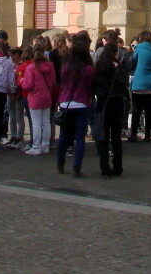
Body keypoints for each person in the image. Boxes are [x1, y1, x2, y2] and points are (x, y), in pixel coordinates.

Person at [55, 35, 94, 178]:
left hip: (66, 103)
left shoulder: (65, 67)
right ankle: (77, 167)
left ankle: (60, 163)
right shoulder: (88, 69)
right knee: (79, 138)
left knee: (64, 136)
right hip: (82, 103)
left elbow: (63, 84)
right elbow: (90, 87)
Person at [92, 42, 126, 178]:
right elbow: (124, 87)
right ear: (115, 53)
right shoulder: (119, 68)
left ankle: (104, 168)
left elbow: (94, 87)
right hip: (116, 105)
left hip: (103, 106)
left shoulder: (99, 68)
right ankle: (117, 166)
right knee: (116, 139)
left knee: (103, 138)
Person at [21, 44, 56, 155]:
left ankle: (36, 146)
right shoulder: (50, 66)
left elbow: (28, 85)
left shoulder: (31, 67)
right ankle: (45, 146)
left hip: (35, 97)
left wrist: (21, 80)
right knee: (46, 122)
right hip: (47, 96)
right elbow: (53, 82)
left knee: (36, 123)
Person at [129, 31, 151, 142]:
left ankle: (133, 134)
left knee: (136, 111)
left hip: (139, 84)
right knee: (150, 112)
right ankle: (148, 135)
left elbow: (133, 62)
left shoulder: (138, 48)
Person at [7, 46, 29, 148]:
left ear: (17, 55)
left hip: (19, 93)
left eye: (12, 55)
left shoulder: (22, 66)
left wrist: (19, 93)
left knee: (19, 116)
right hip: (10, 93)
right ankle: (13, 135)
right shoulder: (10, 65)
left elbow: (22, 80)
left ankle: (19, 136)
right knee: (12, 116)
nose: (10, 57)